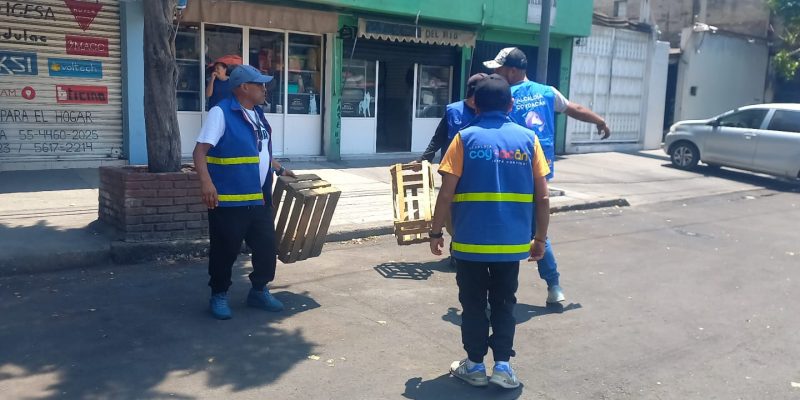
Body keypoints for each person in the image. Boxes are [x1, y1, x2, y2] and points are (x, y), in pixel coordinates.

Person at [429, 74, 551, 389]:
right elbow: (544, 196)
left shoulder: (464, 138)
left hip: (470, 242)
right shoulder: (528, 139)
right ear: (511, 105)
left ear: (475, 105)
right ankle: (503, 367)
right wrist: (540, 238)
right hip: (511, 244)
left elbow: (446, 193)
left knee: (472, 304)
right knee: (504, 302)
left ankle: (473, 365)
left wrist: (434, 232)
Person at [484, 47, 611, 304]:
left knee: (503, 226)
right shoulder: (547, 92)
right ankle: (554, 286)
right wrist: (599, 120)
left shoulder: (505, 94)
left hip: (512, 167)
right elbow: (574, 108)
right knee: (537, 229)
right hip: (541, 171)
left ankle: (499, 292)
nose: (495, 73)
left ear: (511, 70)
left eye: (498, 69)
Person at [193, 64, 295, 320]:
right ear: (243, 87)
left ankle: (259, 290)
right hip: (229, 200)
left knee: (265, 247)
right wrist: (206, 183)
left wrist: (280, 169)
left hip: (258, 197)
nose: (264, 88)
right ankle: (218, 294)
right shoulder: (221, 113)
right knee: (225, 250)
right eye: (259, 84)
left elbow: (259, 151)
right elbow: (199, 152)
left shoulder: (258, 114)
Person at [416, 73, 488, 163]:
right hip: (450, 166)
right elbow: (439, 137)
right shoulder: (453, 110)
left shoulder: (489, 112)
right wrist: (425, 158)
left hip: (475, 165)